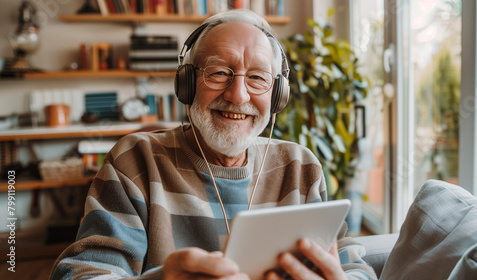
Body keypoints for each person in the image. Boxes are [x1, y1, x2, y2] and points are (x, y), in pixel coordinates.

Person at [50, 9, 376, 280]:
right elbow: (82, 273)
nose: (238, 96)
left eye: (258, 78)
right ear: (187, 83)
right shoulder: (135, 161)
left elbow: (354, 267)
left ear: (278, 96)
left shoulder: (300, 167)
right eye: (219, 72)